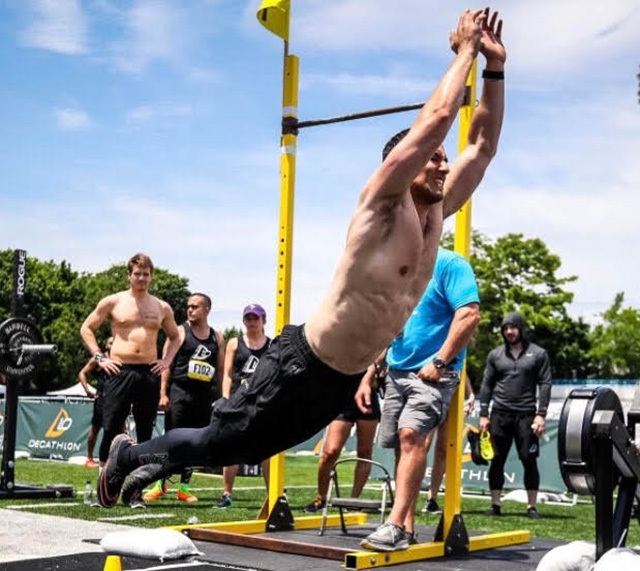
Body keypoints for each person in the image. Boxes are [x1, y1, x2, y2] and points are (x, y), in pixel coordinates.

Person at [97, 10, 503, 547]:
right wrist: (464, 54)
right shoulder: (383, 205)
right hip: (301, 363)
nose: (443, 167)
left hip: (339, 377)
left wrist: (494, 69)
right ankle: (134, 455)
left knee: (246, 451)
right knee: (225, 437)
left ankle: (157, 460)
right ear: (405, 164)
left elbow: (483, 147)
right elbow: (436, 120)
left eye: (444, 163)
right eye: (433, 161)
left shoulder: (435, 215)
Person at [359, 247, 480, 549]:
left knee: (412, 436)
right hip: (397, 370)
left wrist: (440, 361)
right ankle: (406, 529)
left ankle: (394, 524)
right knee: (401, 445)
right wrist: (371, 372)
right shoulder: (401, 263)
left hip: (433, 372)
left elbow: (469, 314)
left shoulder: (449, 264)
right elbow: (392, 327)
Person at [80, 253, 181, 506]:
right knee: (112, 427)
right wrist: (99, 357)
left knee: (146, 432)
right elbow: (87, 328)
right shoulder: (114, 301)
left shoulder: (161, 306)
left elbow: (176, 335)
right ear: (129, 275)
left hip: (148, 373)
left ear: (151, 276)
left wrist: (166, 360)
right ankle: (106, 488)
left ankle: (135, 491)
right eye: (137, 274)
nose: (141, 278)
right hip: (118, 371)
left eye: (146, 274)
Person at [142, 293, 225, 504]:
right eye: (188, 306)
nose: (190, 310)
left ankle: (184, 488)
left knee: (195, 443)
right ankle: (160, 484)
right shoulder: (179, 332)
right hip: (180, 392)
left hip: (203, 396)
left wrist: (223, 397)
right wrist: (163, 393)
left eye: (195, 307)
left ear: (206, 310)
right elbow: (165, 364)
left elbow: (221, 370)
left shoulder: (217, 337)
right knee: (172, 440)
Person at [478, 312, 552, 519]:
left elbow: (545, 384)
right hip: (500, 413)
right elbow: (486, 385)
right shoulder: (495, 355)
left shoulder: (538, 354)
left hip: (527, 415)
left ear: (521, 328)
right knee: (497, 460)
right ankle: (495, 505)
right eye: (505, 328)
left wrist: (541, 414)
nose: (509, 332)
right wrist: (483, 414)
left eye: (513, 327)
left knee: (529, 460)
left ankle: (531, 507)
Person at [302, 363, 383, 513]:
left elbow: (377, 362)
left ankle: (353, 500)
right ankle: (321, 498)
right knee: (330, 452)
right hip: (343, 396)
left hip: (367, 395)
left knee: (365, 452)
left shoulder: (374, 343)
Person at [216, 303, 271, 509]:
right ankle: (226, 494)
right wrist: (225, 399)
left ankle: (272, 494)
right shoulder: (234, 343)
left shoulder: (272, 345)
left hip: (263, 402)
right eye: (248, 318)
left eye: (255, 318)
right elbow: (228, 373)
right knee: (232, 447)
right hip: (239, 400)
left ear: (263, 321)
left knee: (267, 449)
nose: (251, 322)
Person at [421, 373, 475, 515]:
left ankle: (431, 499)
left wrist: (470, 394)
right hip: (432, 392)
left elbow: (462, 368)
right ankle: (409, 496)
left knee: (443, 449)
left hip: (453, 395)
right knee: (422, 446)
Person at [77, 336, 114, 468]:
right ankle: (89, 458)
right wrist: (87, 390)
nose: (113, 343)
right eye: (110, 342)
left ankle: (113, 459)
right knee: (96, 428)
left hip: (117, 399)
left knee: (118, 430)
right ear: (106, 345)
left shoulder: (121, 358)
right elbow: (82, 373)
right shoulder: (100, 358)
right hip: (102, 399)